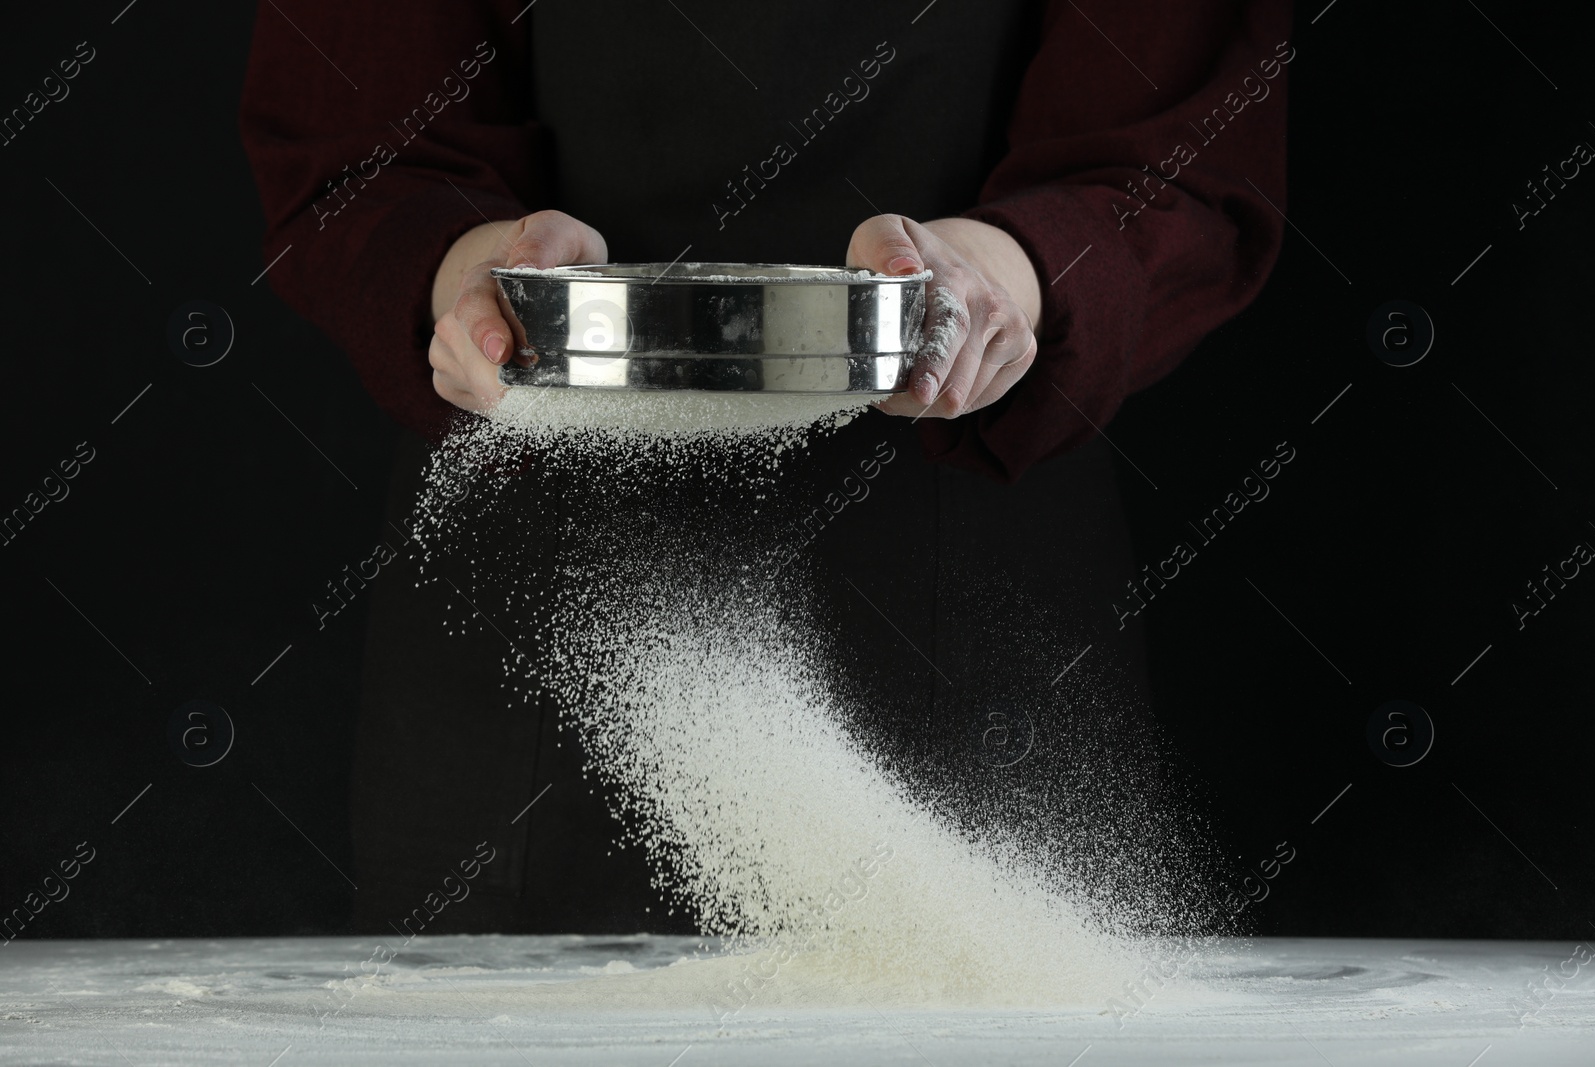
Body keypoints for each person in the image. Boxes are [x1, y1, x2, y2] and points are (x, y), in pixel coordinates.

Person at [241, 0, 1288, 935]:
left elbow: (1184, 151)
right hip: (535, 624)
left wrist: (989, 278)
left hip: (968, 585)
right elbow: (360, 135)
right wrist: (471, 278)